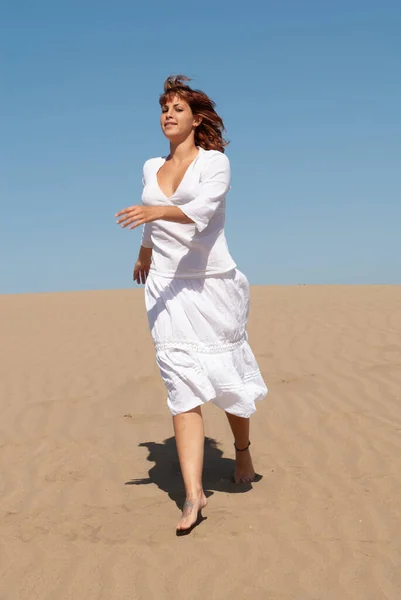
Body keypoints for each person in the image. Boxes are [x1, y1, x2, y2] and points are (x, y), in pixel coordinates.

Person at [115, 75, 267, 534]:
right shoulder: (149, 166)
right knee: (181, 387)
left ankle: (241, 451)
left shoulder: (215, 163)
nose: (168, 114)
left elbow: (201, 208)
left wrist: (156, 213)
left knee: (226, 378)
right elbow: (149, 212)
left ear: (196, 119)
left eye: (177, 108)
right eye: (164, 108)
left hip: (212, 284)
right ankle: (193, 494)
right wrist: (144, 252)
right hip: (166, 287)